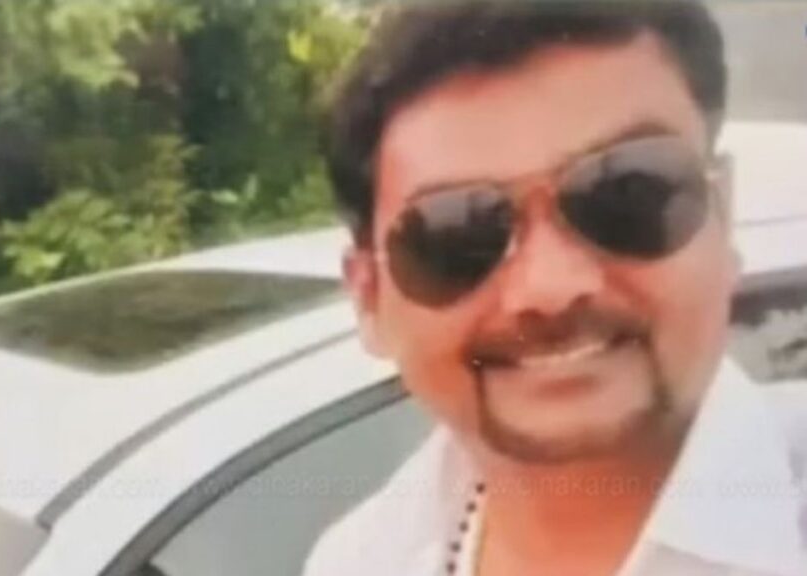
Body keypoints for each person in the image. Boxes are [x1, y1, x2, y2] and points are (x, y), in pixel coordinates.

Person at [304, 1, 807, 575]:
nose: (550, 287)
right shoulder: (360, 560)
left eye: (628, 195)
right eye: (457, 234)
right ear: (369, 298)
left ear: (723, 212)